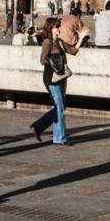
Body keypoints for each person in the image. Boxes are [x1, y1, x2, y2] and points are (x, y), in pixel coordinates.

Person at [30, 17, 89, 145]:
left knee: (61, 106)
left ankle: (39, 126)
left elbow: (73, 51)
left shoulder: (60, 41)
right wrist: (54, 63)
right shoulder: (47, 42)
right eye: (57, 27)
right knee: (59, 107)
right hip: (52, 78)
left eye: (59, 26)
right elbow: (42, 60)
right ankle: (59, 138)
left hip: (61, 77)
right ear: (51, 28)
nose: (60, 29)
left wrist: (81, 38)